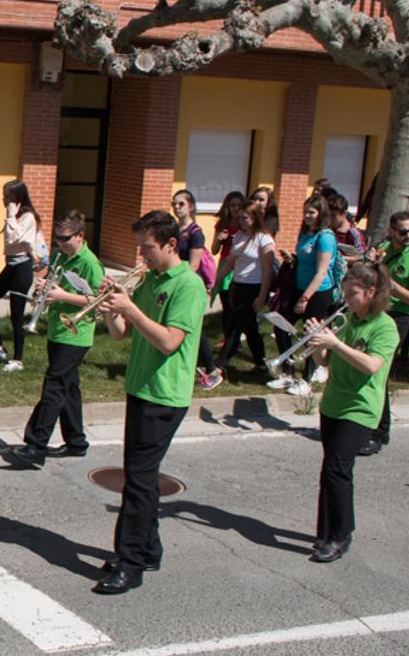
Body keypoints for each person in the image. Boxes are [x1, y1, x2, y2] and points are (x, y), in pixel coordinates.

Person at [93, 210, 206, 595]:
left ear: (172, 244)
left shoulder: (188, 286)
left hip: (164, 393)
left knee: (138, 482)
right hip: (140, 387)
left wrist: (131, 308)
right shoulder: (150, 278)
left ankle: (131, 563)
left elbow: (169, 341)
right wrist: (111, 309)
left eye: (148, 248)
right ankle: (149, 548)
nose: (141, 256)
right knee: (140, 475)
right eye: (139, 247)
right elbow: (122, 334)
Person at [305, 261, 400, 564]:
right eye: (345, 292)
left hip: (360, 409)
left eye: (353, 293)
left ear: (371, 292)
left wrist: (335, 342)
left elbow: (372, 365)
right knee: (328, 470)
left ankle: (341, 535)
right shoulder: (349, 320)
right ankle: (325, 531)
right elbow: (324, 362)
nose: (347, 298)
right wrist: (319, 341)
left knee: (338, 468)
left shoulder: (384, 326)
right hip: (333, 403)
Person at [5, 210, 104, 465]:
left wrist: (61, 296)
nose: (60, 243)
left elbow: (97, 300)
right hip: (58, 330)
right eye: (57, 238)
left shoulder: (90, 263)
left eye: (65, 238)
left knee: (54, 387)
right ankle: (76, 441)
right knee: (69, 388)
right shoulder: (62, 254)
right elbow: (53, 280)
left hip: (76, 334)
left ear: (81, 236)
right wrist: (43, 286)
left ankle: (36, 445)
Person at [361, 211, 409, 456]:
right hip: (375, 313)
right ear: (391, 231)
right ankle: (370, 425)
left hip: (397, 318)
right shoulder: (384, 249)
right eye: (403, 232)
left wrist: (390, 283)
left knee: (379, 373)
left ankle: (379, 432)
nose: (408, 236)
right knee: (370, 372)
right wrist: (369, 262)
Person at [269, 194, 337, 395]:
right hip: (298, 286)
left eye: (312, 212)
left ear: (321, 213)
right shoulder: (305, 233)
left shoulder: (325, 237)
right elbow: (306, 258)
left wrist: (305, 298)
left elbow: (322, 271)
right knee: (281, 325)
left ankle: (307, 380)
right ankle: (288, 371)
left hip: (318, 292)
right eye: (305, 212)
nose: (307, 216)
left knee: (312, 335)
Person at [0, 180, 41, 372]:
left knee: (16, 317)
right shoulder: (15, 215)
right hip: (10, 266)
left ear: (17, 197)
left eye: (7, 196)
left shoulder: (28, 217)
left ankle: (17, 359)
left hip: (21, 269)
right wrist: (11, 216)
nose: (4, 200)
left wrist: (11, 216)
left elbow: (14, 238)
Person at [213, 201, 275, 373]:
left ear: (255, 218)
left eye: (244, 217)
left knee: (236, 326)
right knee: (250, 328)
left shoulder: (264, 239)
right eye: (239, 217)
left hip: (253, 288)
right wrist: (215, 281)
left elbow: (267, 271)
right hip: (237, 286)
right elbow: (230, 263)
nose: (240, 221)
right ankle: (261, 363)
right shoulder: (240, 236)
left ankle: (219, 366)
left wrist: (262, 296)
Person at [171, 190, 221, 390]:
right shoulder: (174, 229)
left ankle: (212, 371)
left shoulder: (195, 233)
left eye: (181, 204)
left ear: (190, 206)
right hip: (176, 282)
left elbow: (193, 265)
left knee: (193, 330)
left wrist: (177, 282)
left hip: (189, 285)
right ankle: (190, 366)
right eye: (174, 204)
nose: (176, 207)